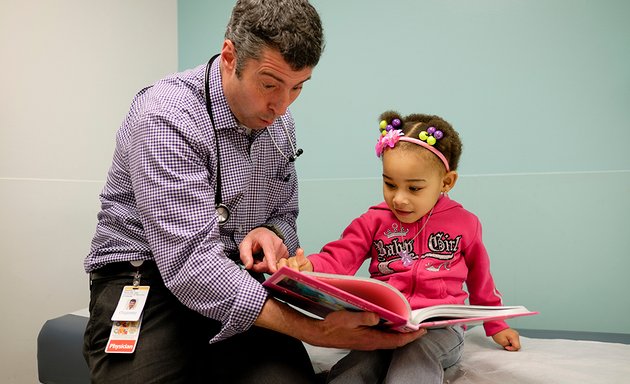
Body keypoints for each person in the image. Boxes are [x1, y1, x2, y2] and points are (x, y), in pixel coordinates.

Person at [82, 1, 424, 383]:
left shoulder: (279, 124)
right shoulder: (167, 116)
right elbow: (191, 266)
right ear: (230, 56)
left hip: (237, 277)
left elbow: (284, 214)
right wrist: (315, 332)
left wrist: (271, 235)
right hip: (146, 280)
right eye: (269, 84)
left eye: (297, 88)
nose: (280, 105)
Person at [280, 110, 521, 383]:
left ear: (446, 182)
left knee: (416, 353)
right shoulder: (373, 220)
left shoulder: (465, 223)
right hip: (385, 324)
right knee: (363, 357)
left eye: (414, 188)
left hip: (439, 330)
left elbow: (481, 280)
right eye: (390, 184)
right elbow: (340, 256)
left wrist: (496, 324)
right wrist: (309, 266)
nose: (399, 199)